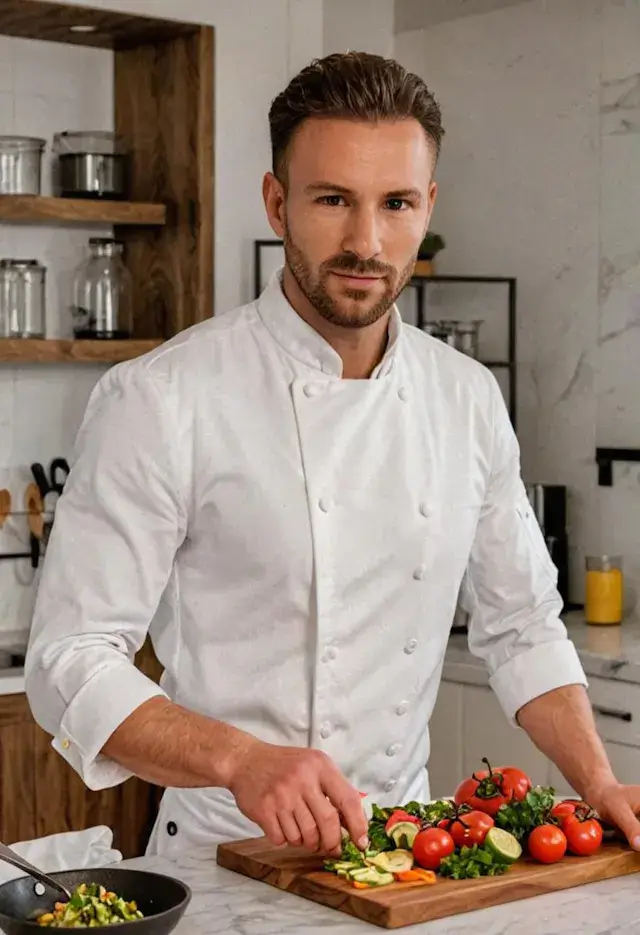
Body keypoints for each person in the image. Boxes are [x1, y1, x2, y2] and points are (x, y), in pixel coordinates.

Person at [25, 51, 640, 860]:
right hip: (219, 859)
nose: (366, 241)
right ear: (277, 202)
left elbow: (522, 624)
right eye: (333, 200)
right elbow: (68, 660)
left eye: (395, 203)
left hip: (408, 859)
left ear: (428, 207)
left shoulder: (465, 398)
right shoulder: (163, 397)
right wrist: (239, 759)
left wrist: (600, 784)